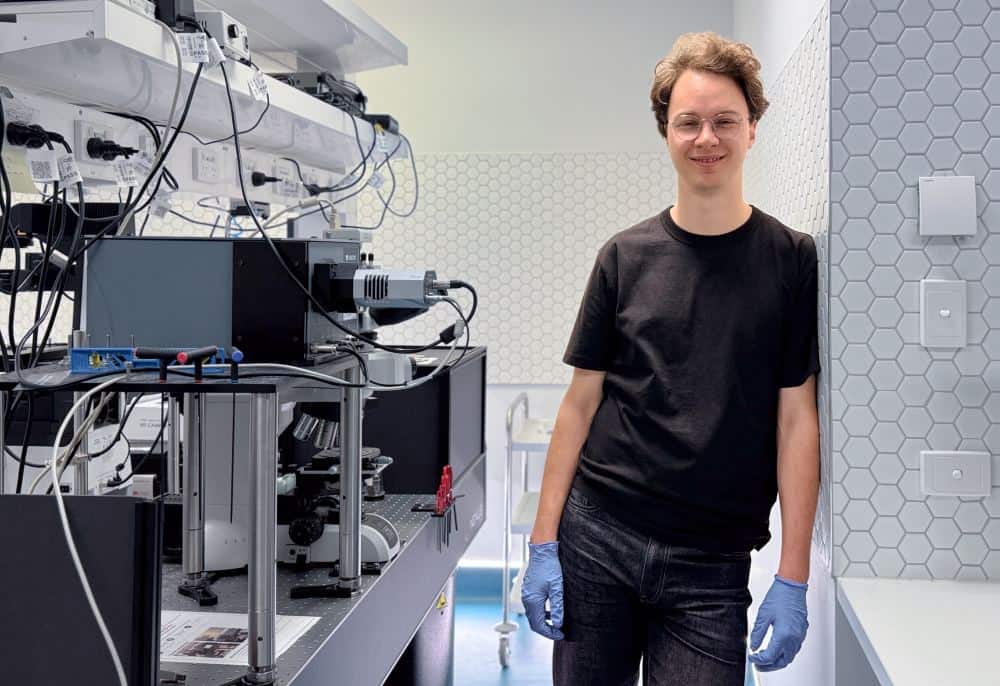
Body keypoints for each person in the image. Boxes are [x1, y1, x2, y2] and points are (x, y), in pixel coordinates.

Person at [521, 31, 820, 686]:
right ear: (666, 132)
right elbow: (580, 405)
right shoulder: (624, 257)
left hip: (712, 564)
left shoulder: (792, 259)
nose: (706, 138)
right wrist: (542, 543)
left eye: (724, 121)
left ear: (752, 130)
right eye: (688, 122)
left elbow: (797, 419)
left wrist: (793, 574)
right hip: (598, 535)